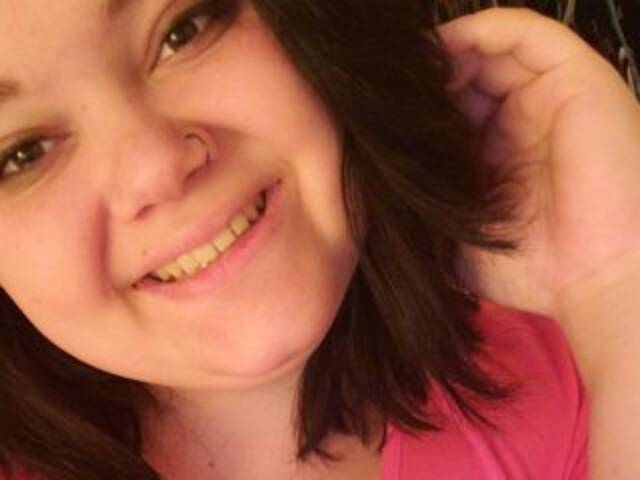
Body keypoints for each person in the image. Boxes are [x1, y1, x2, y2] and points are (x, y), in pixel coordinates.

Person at [0, 1, 636, 479]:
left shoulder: (577, 370)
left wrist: (616, 284)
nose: (155, 169)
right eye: (21, 154)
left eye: (184, 30)